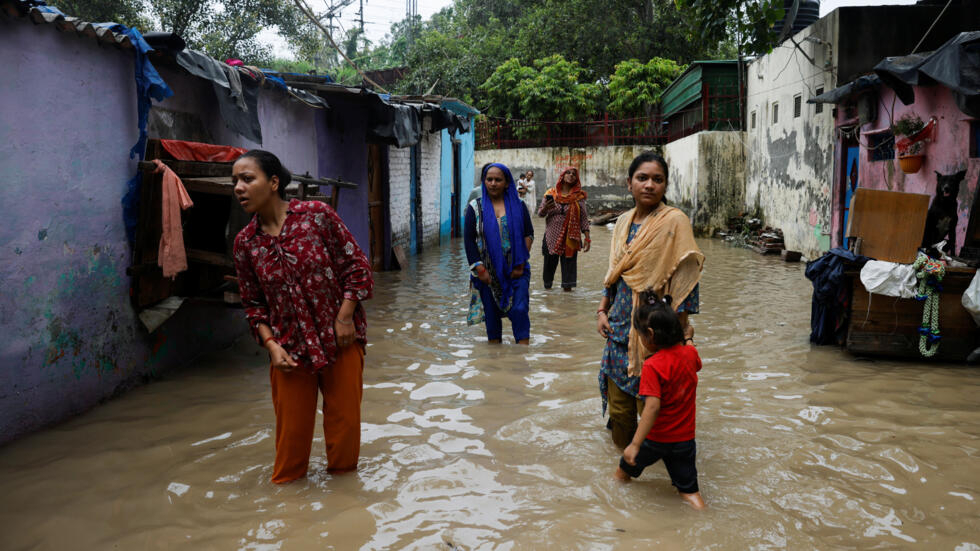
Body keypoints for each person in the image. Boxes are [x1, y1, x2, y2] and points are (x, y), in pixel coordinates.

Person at [231, 149, 374, 484]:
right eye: (234, 181)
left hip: (341, 341)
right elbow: (253, 305)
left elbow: (358, 268)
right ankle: (288, 514)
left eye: (247, 178)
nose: (238, 187)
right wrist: (271, 346)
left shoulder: (317, 216)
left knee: (345, 435)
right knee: (290, 449)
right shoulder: (245, 244)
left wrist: (345, 317)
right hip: (289, 350)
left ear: (274, 182)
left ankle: (344, 506)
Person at [596, 151, 703, 450]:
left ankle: (654, 469)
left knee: (656, 416)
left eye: (658, 179)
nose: (649, 185)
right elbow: (613, 274)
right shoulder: (622, 224)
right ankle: (623, 473)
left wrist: (682, 337)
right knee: (620, 415)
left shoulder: (674, 223)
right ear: (629, 183)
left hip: (659, 337)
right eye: (642, 178)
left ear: (665, 186)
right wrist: (602, 311)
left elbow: (686, 281)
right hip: (619, 331)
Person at [613, 291, 706, 511]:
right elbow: (693, 351)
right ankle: (703, 515)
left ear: (651, 335)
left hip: (655, 439)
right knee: (689, 492)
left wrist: (635, 445)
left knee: (621, 473)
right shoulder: (689, 355)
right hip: (685, 440)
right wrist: (689, 337)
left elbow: (652, 407)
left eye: (641, 336)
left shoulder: (653, 366)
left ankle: (612, 509)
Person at [464, 162, 533, 344]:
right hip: (486, 274)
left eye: (498, 180)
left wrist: (519, 263)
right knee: (492, 318)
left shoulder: (518, 206)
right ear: (484, 182)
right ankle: (495, 362)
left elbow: (528, 234)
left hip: (516, 271)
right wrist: (480, 269)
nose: (493, 183)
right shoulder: (474, 208)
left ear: (507, 183)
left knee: (519, 310)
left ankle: (522, 356)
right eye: (489, 179)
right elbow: (469, 240)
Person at [537, 166, 590, 291]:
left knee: (568, 275)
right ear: (562, 175)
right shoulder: (551, 194)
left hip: (570, 238)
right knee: (548, 271)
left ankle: (568, 303)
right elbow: (540, 214)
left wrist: (587, 238)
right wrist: (545, 208)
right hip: (551, 237)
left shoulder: (579, 197)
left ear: (576, 179)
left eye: (573, 174)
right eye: (568, 173)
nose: (571, 175)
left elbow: (583, 219)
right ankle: (548, 298)